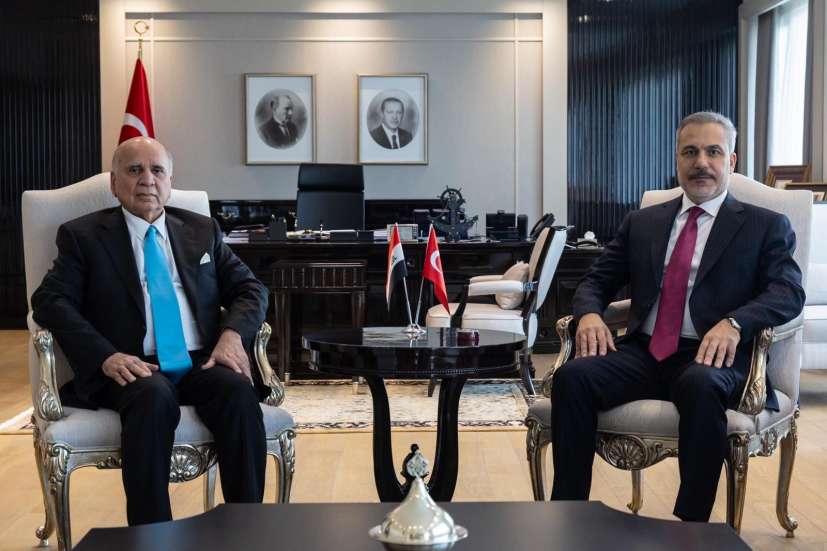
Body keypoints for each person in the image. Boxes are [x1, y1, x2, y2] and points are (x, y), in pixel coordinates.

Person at [550, 111, 805, 522]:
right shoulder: (643, 222)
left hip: (714, 358)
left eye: (713, 152)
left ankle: (691, 529)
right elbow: (596, 281)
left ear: (731, 161)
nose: (701, 162)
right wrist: (590, 316)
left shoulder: (765, 226)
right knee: (572, 377)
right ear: (677, 159)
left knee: (699, 385)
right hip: (645, 352)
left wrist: (735, 323)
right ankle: (567, 518)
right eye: (690, 152)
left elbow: (788, 292)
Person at [31, 137, 270, 526]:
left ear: (170, 181)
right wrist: (105, 356)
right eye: (134, 170)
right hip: (130, 366)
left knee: (239, 393)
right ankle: (152, 535)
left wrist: (231, 336)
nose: (147, 180)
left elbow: (251, 289)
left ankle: (248, 529)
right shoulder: (83, 236)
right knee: (153, 397)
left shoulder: (201, 230)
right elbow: (49, 300)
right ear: (114, 183)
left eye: (157, 170)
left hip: (199, 360)